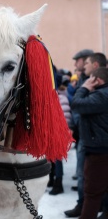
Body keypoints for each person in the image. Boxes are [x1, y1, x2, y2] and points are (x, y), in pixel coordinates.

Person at [65, 51, 107, 217]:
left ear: (96, 79)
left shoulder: (101, 95)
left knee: (92, 191)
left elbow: (76, 104)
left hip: (98, 149)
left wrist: (83, 88)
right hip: (99, 146)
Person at [49, 70, 72, 195]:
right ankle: (52, 180)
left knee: (58, 159)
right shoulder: (58, 96)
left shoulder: (60, 97)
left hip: (59, 133)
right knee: (52, 158)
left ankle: (58, 183)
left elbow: (65, 117)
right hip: (53, 132)